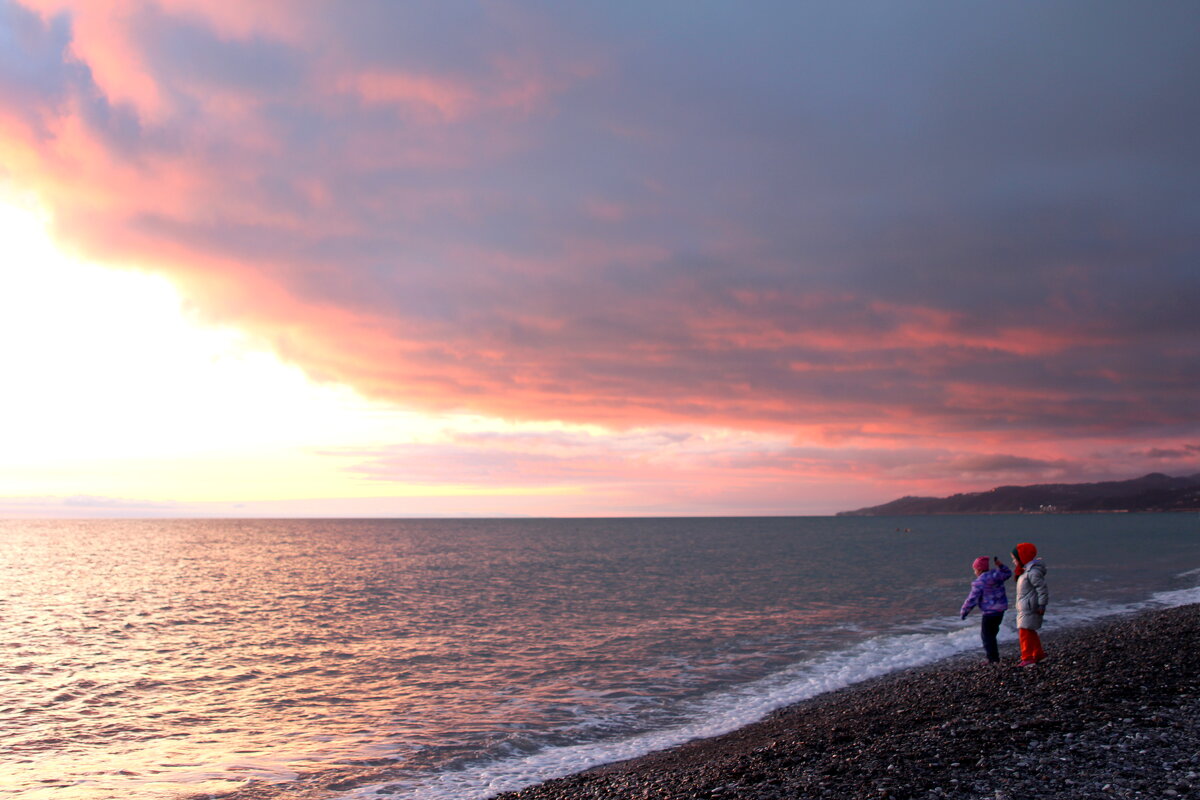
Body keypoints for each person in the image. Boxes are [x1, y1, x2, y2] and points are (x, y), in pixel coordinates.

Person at [960, 555, 1011, 663]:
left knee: (987, 636)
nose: (974, 572)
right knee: (992, 634)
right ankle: (994, 657)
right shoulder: (997, 575)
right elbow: (1008, 573)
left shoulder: (979, 582)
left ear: (979, 570)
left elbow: (972, 599)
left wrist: (964, 611)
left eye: (974, 570)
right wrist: (1001, 565)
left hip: (989, 613)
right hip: (1000, 611)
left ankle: (992, 659)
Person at [1011, 542, 1049, 666]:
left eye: (1014, 559)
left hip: (1030, 607)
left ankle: (1027, 657)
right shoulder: (1025, 571)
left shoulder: (1032, 573)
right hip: (1025, 606)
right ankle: (1039, 655)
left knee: (1024, 632)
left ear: (1022, 557)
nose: (1013, 561)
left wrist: (1042, 605)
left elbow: (1042, 589)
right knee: (1030, 631)